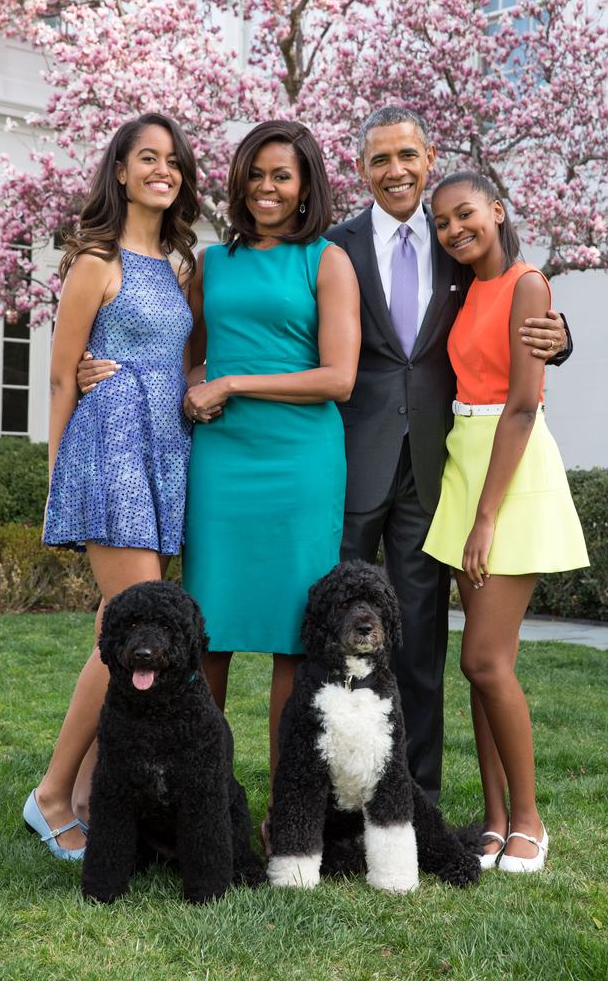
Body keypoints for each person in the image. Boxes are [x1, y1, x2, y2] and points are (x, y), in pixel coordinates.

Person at [325, 106, 571, 803]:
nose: (395, 170)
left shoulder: (456, 240)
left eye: (406, 155)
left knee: (422, 643)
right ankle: (337, 791)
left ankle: (417, 798)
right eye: (379, 159)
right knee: (332, 633)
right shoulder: (336, 247)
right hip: (352, 461)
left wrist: (561, 335)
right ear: (362, 170)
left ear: (429, 158)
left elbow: (514, 306)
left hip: (437, 472)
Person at [24, 112, 200, 859]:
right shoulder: (95, 260)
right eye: (147, 158)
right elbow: (64, 373)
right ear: (121, 172)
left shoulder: (183, 264)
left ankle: (91, 791)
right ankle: (54, 794)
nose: (163, 170)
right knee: (127, 623)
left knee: (118, 624)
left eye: (173, 160)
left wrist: (201, 383)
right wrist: (59, 473)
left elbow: (182, 359)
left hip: (167, 448)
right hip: (111, 447)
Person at [182, 120, 360, 848]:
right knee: (205, 636)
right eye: (255, 174)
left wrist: (234, 381)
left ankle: (287, 820)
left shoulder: (328, 261)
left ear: (306, 184)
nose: (266, 188)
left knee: (295, 642)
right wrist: (197, 382)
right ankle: (201, 815)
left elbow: (339, 378)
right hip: (223, 463)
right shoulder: (210, 263)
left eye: (281, 176)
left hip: (300, 463)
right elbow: (187, 360)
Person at [422, 171, 588, 871]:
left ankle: (529, 820)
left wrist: (485, 517)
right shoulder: (463, 288)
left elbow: (523, 404)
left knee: (482, 658)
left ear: (498, 209)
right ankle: (493, 821)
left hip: (508, 471)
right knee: (486, 667)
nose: (455, 230)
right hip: (465, 460)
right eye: (442, 223)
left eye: (466, 215)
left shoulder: (528, 282)